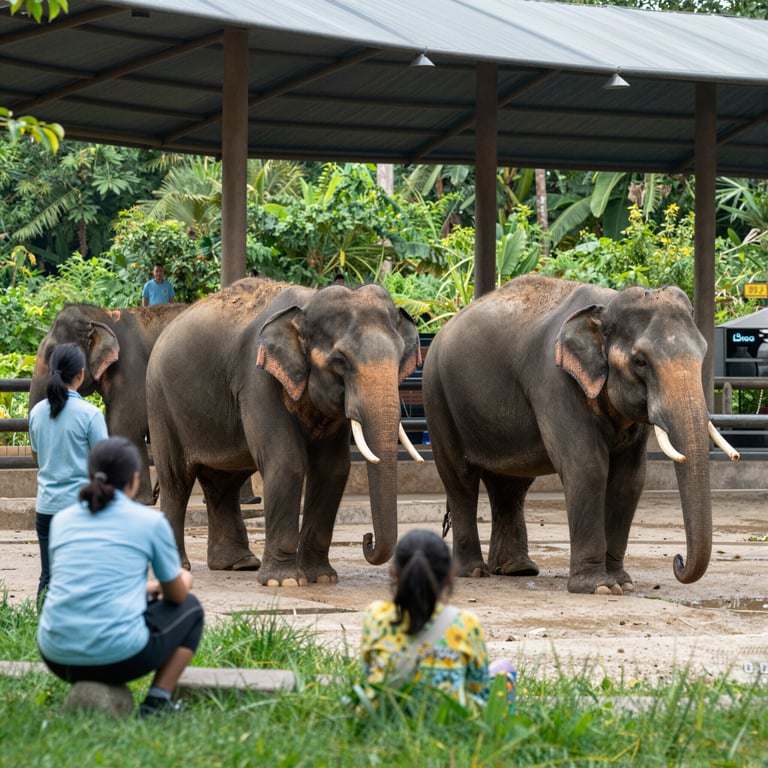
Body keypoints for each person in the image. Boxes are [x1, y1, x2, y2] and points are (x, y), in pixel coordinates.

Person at [37, 436, 205, 717]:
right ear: (134, 481)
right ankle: (156, 703)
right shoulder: (150, 521)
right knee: (191, 610)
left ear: (90, 475)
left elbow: (86, 582)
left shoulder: (62, 520)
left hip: (56, 655)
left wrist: (145, 588)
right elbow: (175, 595)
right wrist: (184, 580)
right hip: (119, 657)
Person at [360, 529, 515, 711]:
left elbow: (369, 673)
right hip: (450, 721)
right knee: (505, 670)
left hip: (385, 717)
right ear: (450, 574)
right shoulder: (465, 624)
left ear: (394, 573)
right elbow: (478, 690)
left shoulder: (375, 616)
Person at [29, 343, 109, 604]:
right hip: (81, 508)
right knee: (84, 576)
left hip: (46, 508)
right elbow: (104, 463)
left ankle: (42, 632)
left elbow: (39, 454)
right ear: (81, 374)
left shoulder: (37, 414)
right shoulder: (91, 415)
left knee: (49, 577)